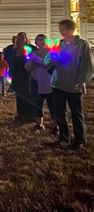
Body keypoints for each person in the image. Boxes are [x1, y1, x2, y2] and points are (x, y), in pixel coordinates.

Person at [45, 19, 92, 149]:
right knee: (60, 112)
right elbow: (47, 60)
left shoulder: (82, 44)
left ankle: (79, 140)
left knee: (76, 113)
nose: (61, 32)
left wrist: (80, 80)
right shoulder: (59, 45)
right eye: (60, 29)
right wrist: (53, 57)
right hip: (58, 83)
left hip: (74, 86)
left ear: (72, 29)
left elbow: (87, 65)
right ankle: (63, 137)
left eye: (63, 29)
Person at [25, 34, 56, 133]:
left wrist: (37, 60)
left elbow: (48, 64)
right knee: (37, 104)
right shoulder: (34, 53)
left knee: (52, 104)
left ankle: (56, 125)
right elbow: (27, 67)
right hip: (36, 80)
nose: (41, 42)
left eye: (43, 40)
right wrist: (33, 62)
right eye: (39, 40)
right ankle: (39, 124)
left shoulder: (51, 52)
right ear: (36, 42)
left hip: (49, 81)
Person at [12, 32, 37, 123]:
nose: (21, 39)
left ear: (26, 39)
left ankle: (31, 115)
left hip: (29, 76)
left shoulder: (32, 49)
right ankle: (21, 115)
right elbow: (13, 65)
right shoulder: (15, 50)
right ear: (17, 39)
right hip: (18, 77)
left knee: (30, 96)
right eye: (19, 37)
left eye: (23, 37)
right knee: (19, 97)